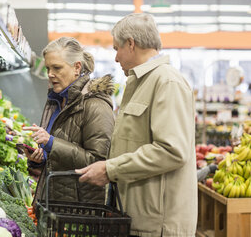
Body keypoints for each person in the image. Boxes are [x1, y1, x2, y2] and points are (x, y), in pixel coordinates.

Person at [75, 13, 198, 237]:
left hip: (159, 226)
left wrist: (111, 169)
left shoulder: (167, 82)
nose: (115, 58)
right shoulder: (142, 82)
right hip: (138, 218)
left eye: (116, 49)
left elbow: (172, 151)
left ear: (131, 44)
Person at [23, 37, 115, 204]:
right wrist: (40, 159)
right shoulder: (56, 100)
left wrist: (51, 143)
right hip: (54, 202)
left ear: (77, 67)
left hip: (79, 209)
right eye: (48, 68)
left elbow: (98, 162)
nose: (50, 74)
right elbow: (60, 157)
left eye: (57, 68)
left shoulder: (96, 105)